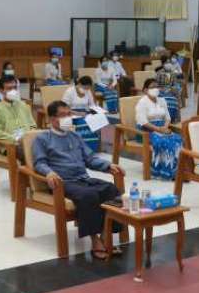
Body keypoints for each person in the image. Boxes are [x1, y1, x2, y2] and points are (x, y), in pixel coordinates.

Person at [33, 101, 126, 260]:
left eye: (69, 114)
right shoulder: (42, 139)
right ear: (52, 119)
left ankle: (105, 235)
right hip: (63, 182)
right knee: (89, 196)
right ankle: (94, 240)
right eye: (63, 115)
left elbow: (90, 159)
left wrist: (108, 165)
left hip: (83, 178)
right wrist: (49, 173)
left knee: (111, 190)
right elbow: (39, 162)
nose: (68, 118)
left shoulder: (75, 136)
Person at [135, 79, 182, 180]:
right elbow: (143, 122)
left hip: (162, 127)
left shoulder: (162, 100)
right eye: (152, 87)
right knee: (164, 142)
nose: (155, 89)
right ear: (145, 90)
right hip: (146, 130)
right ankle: (164, 172)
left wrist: (165, 127)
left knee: (178, 139)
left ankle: (178, 171)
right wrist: (158, 129)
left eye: (157, 86)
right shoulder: (142, 102)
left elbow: (168, 118)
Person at [0, 75, 36, 154]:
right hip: (11, 146)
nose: (13, 91)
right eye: (9, 88)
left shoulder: (23, 105)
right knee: (33, 153)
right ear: (1, 90)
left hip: (28, 142)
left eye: (15, 88)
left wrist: (30, 137)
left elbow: (33, 125)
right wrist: (16, 139)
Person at [62, 76, 101, 152]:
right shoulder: (70, 92)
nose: (86, 90)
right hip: (71, 114)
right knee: (85, 123)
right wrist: (78, 113)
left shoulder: (88, 91)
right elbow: (64, 108)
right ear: (79, 84)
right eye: (85, 88)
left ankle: (92, 149)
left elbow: (92, 105)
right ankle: (83, 149)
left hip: (85, 113)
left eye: (88, 88)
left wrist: (97, 111)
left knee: (96, 121)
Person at [154, 57, 181, 122]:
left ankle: (176, 118)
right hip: (161, 91)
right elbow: (155, 84)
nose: (168, 64)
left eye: (169, 62)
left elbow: (175, 83)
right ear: (163, 64)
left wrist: (172, 88)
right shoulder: (159, 73)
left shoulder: (172, 73)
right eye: (167, 63)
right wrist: (163, 89)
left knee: (176, 91)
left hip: (171, 90)